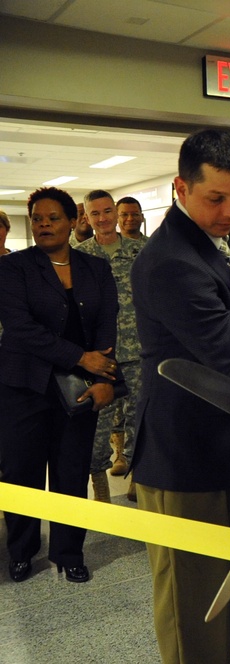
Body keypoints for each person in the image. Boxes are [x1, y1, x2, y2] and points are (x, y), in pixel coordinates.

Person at [130, 129, 230, 664]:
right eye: (217, 198)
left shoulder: (223, 241)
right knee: (196, 613)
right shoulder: (170, 260)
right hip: (184, 458)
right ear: (181, 187)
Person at [0, 186, 119, 584]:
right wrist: (81, 357)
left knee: (70, 474)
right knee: (22, 473)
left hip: (79, 390)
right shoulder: (13, 268)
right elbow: (21, 330)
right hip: (24, 388)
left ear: (73, 221)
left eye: (53, 218)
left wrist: (105, 380)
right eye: (37, 219)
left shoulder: (96, 269)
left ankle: (69, 552)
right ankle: (21, 552)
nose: (44, 224)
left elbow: (106, 326)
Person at [76, 189, 145, 503]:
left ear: (116, 213)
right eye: (95, 213)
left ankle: (136, 475)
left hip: (139, 351)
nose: (102, 218)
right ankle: (99, 482)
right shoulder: (78, 256)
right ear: (87, 218)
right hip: (100, 357)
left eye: (107, 211)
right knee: (98, 423)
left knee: (139, 418)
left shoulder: (141, 250)